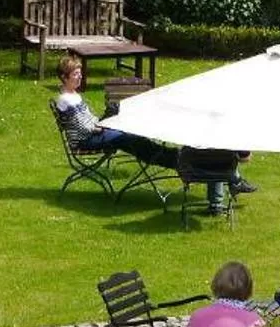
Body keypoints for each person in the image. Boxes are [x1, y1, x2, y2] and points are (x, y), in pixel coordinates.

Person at [50, 56, 256, 214]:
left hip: (97, 133)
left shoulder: (73, 96)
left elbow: (90, 121)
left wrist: (104, 123)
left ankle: (171, 157)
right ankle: (173, 159)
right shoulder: (66, 100)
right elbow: (85, 130)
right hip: (88, 141)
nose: (79, 76)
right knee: (131, 139)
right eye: (75, 74)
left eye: (79, 73)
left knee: (134, 138)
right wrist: (104, 126)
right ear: (64, 77)